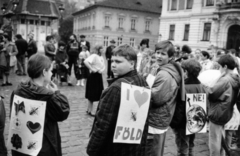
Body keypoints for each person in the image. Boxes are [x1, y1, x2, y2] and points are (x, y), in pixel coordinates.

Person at [87, 44, 149, 156]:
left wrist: (91, 150)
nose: (113, 65)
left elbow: (103, 125)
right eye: (112, 61)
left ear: (132, 64)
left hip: (114, 148)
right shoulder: (142, 81)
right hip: (134, 147)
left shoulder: (116, 88)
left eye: (118, 62)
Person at [10, 53, 70, 156]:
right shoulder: (48, 96)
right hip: (44, 147)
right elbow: (63, 112)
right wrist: (56, 94)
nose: (51, 73)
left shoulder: (17, 91)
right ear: (44, 72)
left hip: (22, 146)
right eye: (50, 70)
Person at [146, 40, 185, 156]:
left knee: (151, 151)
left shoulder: (165, 75)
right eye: (157, 52)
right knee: (156, 149)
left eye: (163, 54)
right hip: (161, 117)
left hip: (156, 118)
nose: (158, 56)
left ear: (171, 56)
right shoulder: (166, 68)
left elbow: (155, 99)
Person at [172, 58, 207, 156]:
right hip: (195, 121)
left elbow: (179, 106)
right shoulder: (201, 85)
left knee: (182, 148)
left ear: (186, 71)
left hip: (183, 122)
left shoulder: (183, 87)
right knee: (190, 145)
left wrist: (174, 122)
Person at [208, 54, 240, 156]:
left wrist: (207, 86)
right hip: (227, 111)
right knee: (220, 138)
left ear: (225, 67)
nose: (219, 69)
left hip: (218, 112)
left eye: (220, 67)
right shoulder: (235, 77)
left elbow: (211, 94)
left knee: (214, 140)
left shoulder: (225, 79)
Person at [84, 45, 105, 116]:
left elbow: (103, 66)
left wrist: (101, 70)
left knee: (97, 93)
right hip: (93, 76)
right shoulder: (94, 56)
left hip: (99, 76)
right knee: (92, 94)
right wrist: (92, 69)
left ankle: (88, 109)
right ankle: (91, 110)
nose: (103, 50)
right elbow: (86, 61)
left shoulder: (101, 57)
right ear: (98, 49)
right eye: (101, 48)